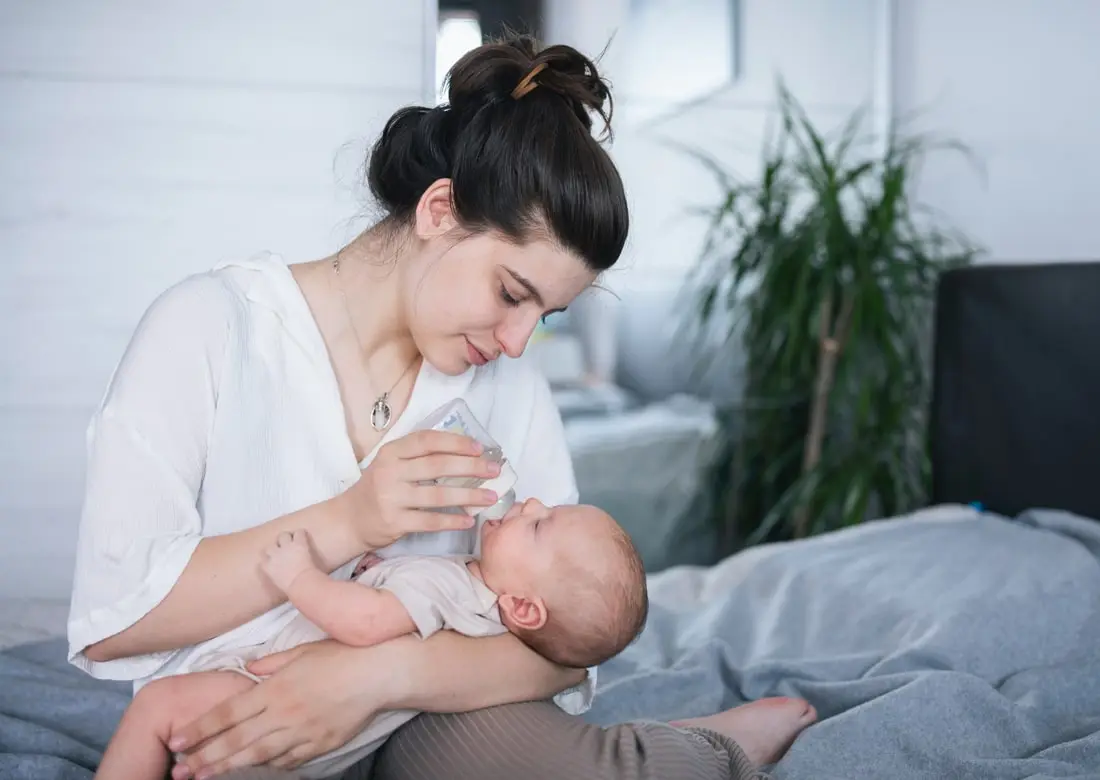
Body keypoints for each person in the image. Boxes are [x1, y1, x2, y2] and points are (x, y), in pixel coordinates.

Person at [67, 33, 817, 780]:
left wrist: (371, 680)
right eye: (512, 294)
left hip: (420, 712)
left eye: (544, 316)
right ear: (438, 210)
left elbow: (561, 651)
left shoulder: (504, 384)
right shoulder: (210, 327)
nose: (520, 344)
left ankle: (704, 749)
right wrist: (351, 520)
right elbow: (115, 625)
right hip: (240, 724)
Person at [95, 500, 650, 779]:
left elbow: (364, 624)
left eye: (539, 525)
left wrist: (299, 575)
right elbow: (403, 611)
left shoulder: (449, 587)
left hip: (275, 694)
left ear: (524, 608)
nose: (528, 504)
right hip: (324, 731)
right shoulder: (475, 605)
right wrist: (381, 572)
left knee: (158, 705)